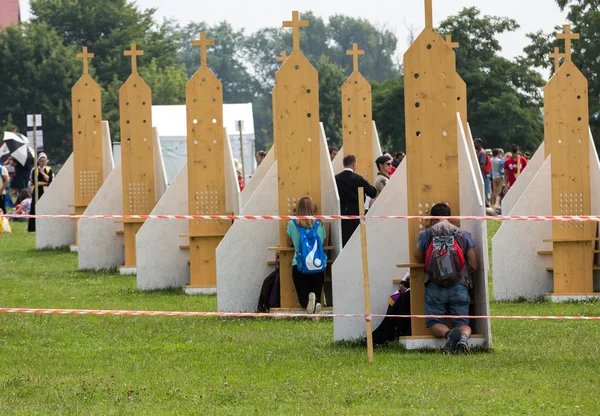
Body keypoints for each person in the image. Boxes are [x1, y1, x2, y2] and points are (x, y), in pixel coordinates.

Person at [415, 203, 479, 354]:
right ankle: (462, 338)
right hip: (459, 285)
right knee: (463, 323)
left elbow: (418, 258)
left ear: (432, 219)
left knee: (434, 323)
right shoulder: (463, 234)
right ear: (450, 217)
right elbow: (474, 264)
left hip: (435, 286)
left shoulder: (425, 234)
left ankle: (449, 335)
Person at [286, 197, 326, 314]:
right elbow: (322, 241)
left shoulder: (292, 224)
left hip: (299, 265)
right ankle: (316, 301)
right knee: (316, 296)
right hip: (317, 265)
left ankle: (309, 302)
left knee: (304, 301)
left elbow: (289, 243)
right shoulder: (319, 223)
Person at [335, 155, 377, 247]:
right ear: (354, 164)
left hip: (341, 212)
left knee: (344, 238)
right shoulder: (358, 178)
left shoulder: (336, 178)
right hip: (356, 211)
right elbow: (372, 193)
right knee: (355, 239)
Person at [28, 153, 54, 232]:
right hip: (37, 191)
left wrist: (43, 173)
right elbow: (34, 182)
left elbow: (50, 181)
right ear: (38, 161)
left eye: (44, 161)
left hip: (45, 191)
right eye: (41, 161)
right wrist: (42, 182)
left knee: (45, 208)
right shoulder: (34, 170)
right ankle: (32, 227)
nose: (43, 163)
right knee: (34, 208)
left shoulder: (48, 170)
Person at [474, 138, 491, 203]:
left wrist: (477, 173)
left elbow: (482, 165)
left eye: (475, 143)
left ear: (479, 144)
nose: (474, 144)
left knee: (484, 192)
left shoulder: (482, 153)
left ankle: (486, 205)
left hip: (483, 175)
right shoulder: (478, 152)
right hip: (481, 174)